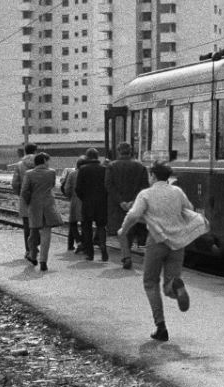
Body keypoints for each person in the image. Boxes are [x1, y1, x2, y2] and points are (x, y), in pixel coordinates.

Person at [117, 160, 209, 342]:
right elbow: (189, 209)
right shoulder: (177, 191)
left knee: (150, 282)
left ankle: (161, 327)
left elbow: (134, 214)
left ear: (152, 176)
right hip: (178, 243)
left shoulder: (146, 194)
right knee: (169, 285)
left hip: (157, 241)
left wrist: (123, 230)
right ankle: (176, 286)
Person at [106, 142, 149, 268]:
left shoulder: (111, 166)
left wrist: (121, 201)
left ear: (119, 151)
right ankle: (127, 253)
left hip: (117, 204)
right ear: (131, 151)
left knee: (122, 229)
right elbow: (144, 186)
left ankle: (126, 256)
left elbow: (109, 185)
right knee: (131, 228)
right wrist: (133, 201)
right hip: (135, 203)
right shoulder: (140, 166)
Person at [20, 152, 62, 271]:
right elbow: (52, 185)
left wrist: (30, 201)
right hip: (48, 205)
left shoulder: (29, 174)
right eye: (47, 160)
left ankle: (32, 255)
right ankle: (43, 261)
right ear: (44, 160)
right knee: (46, 234)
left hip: (34, 207)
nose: (49, 163)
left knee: (33, 233)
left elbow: (24, 191)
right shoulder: (52, 172)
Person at [74, 147, 109, 261]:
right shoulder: (104, 169)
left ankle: (90, 254)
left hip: (87, 203)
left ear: (87, 157)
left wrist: (84, 198)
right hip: (101, 203)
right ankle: (103, 246)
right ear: (98, 156)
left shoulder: (83, 169)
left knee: (87, 227)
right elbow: (107, 186)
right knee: (101, 226)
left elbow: (78, 188)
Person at [10, 143, 38, 259]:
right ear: (35, 151)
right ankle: (36, 244)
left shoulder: (20, 165)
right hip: (39, 197)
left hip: (25, 197)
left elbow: (15, 183)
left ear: (25, 151)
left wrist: (20, 193)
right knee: (39, 222)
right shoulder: (40, 163)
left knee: (27, 225)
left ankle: (29, 250)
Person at [61, 156, 85, 252]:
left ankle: (77, 243)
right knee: (85, 224)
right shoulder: (86, 174)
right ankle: (82, 243)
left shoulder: (72, 174)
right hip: (85, 201)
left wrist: (70, 196)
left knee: (72, 222)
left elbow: (67, 189)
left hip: (74, 201)